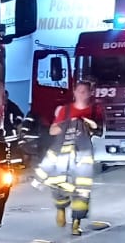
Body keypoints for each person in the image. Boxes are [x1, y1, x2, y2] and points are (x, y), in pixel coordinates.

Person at [33, 79, 101, 234]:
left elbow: (100, 129)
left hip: (83, 157)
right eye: (79, 91)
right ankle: (61, 209)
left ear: (90, 93)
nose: (82, 94)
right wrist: (67, 125)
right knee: (58, 184)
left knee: (82, 189)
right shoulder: (65, 110)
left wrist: (87, 125)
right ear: (75, 92)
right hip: (63, 156)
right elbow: (52, 131)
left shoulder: (95, 111)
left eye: (85, 92)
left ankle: (76, 223)